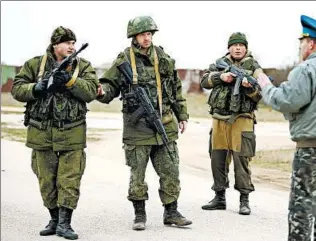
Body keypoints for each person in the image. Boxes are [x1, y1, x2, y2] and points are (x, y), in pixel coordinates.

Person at [256, 15, 316, 241]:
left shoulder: (306, 69)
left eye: (302, 43)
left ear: (311, 44)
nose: (300, 47)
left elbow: (287, 101)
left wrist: (265, 86)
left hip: (313, 149)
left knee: (302, 207)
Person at [96, 15, 192, 230]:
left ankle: (172, 212)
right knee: (137, 174)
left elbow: (175, 89)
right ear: (134, 36)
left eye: (149, 34)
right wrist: (101, 91)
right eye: (143, 34)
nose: (147, 38)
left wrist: (182, 115)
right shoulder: (124, 59)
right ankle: (139, 214)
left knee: (170, 170)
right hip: (137, 128)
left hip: (164, 123)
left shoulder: (163, 57)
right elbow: (109, 85)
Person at [11, 26, 100, 240]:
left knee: (70, 179)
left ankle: (64, 223)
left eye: (73, 43)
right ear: (55, 45)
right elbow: (17, 88)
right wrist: (37, 88)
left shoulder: (82, 66)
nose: (71, 46)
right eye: (67, 43)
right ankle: (53, 219)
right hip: (41, 131)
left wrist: (70, 81)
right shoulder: (35, 64)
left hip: (72, 130)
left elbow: (91, 91)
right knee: (46, 179)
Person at [200, 32, 263, 215]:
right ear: (229, 48)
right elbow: (205, 80)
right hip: (219, 119)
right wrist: (222, 77)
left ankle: (244, 200)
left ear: (246, 48)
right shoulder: (219, 63)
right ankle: (219, 197)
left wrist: (249, 87)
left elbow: (260, 93)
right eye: (234, 45)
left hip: (242, 120)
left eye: (241, 45)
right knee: (217, 158)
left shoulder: (254, 66)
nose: (237, 48)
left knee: (242, 159)